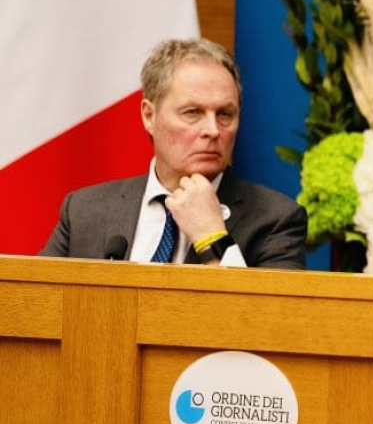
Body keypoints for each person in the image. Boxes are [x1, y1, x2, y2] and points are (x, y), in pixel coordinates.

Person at [40, 38, 307, 268]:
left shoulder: (276, 219)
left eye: (225, 114)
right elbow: (34, 307)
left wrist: (212, 238)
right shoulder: (85, 211)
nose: (213, 130)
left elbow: (270, 325)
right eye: (192, 113)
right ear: (149, 115)